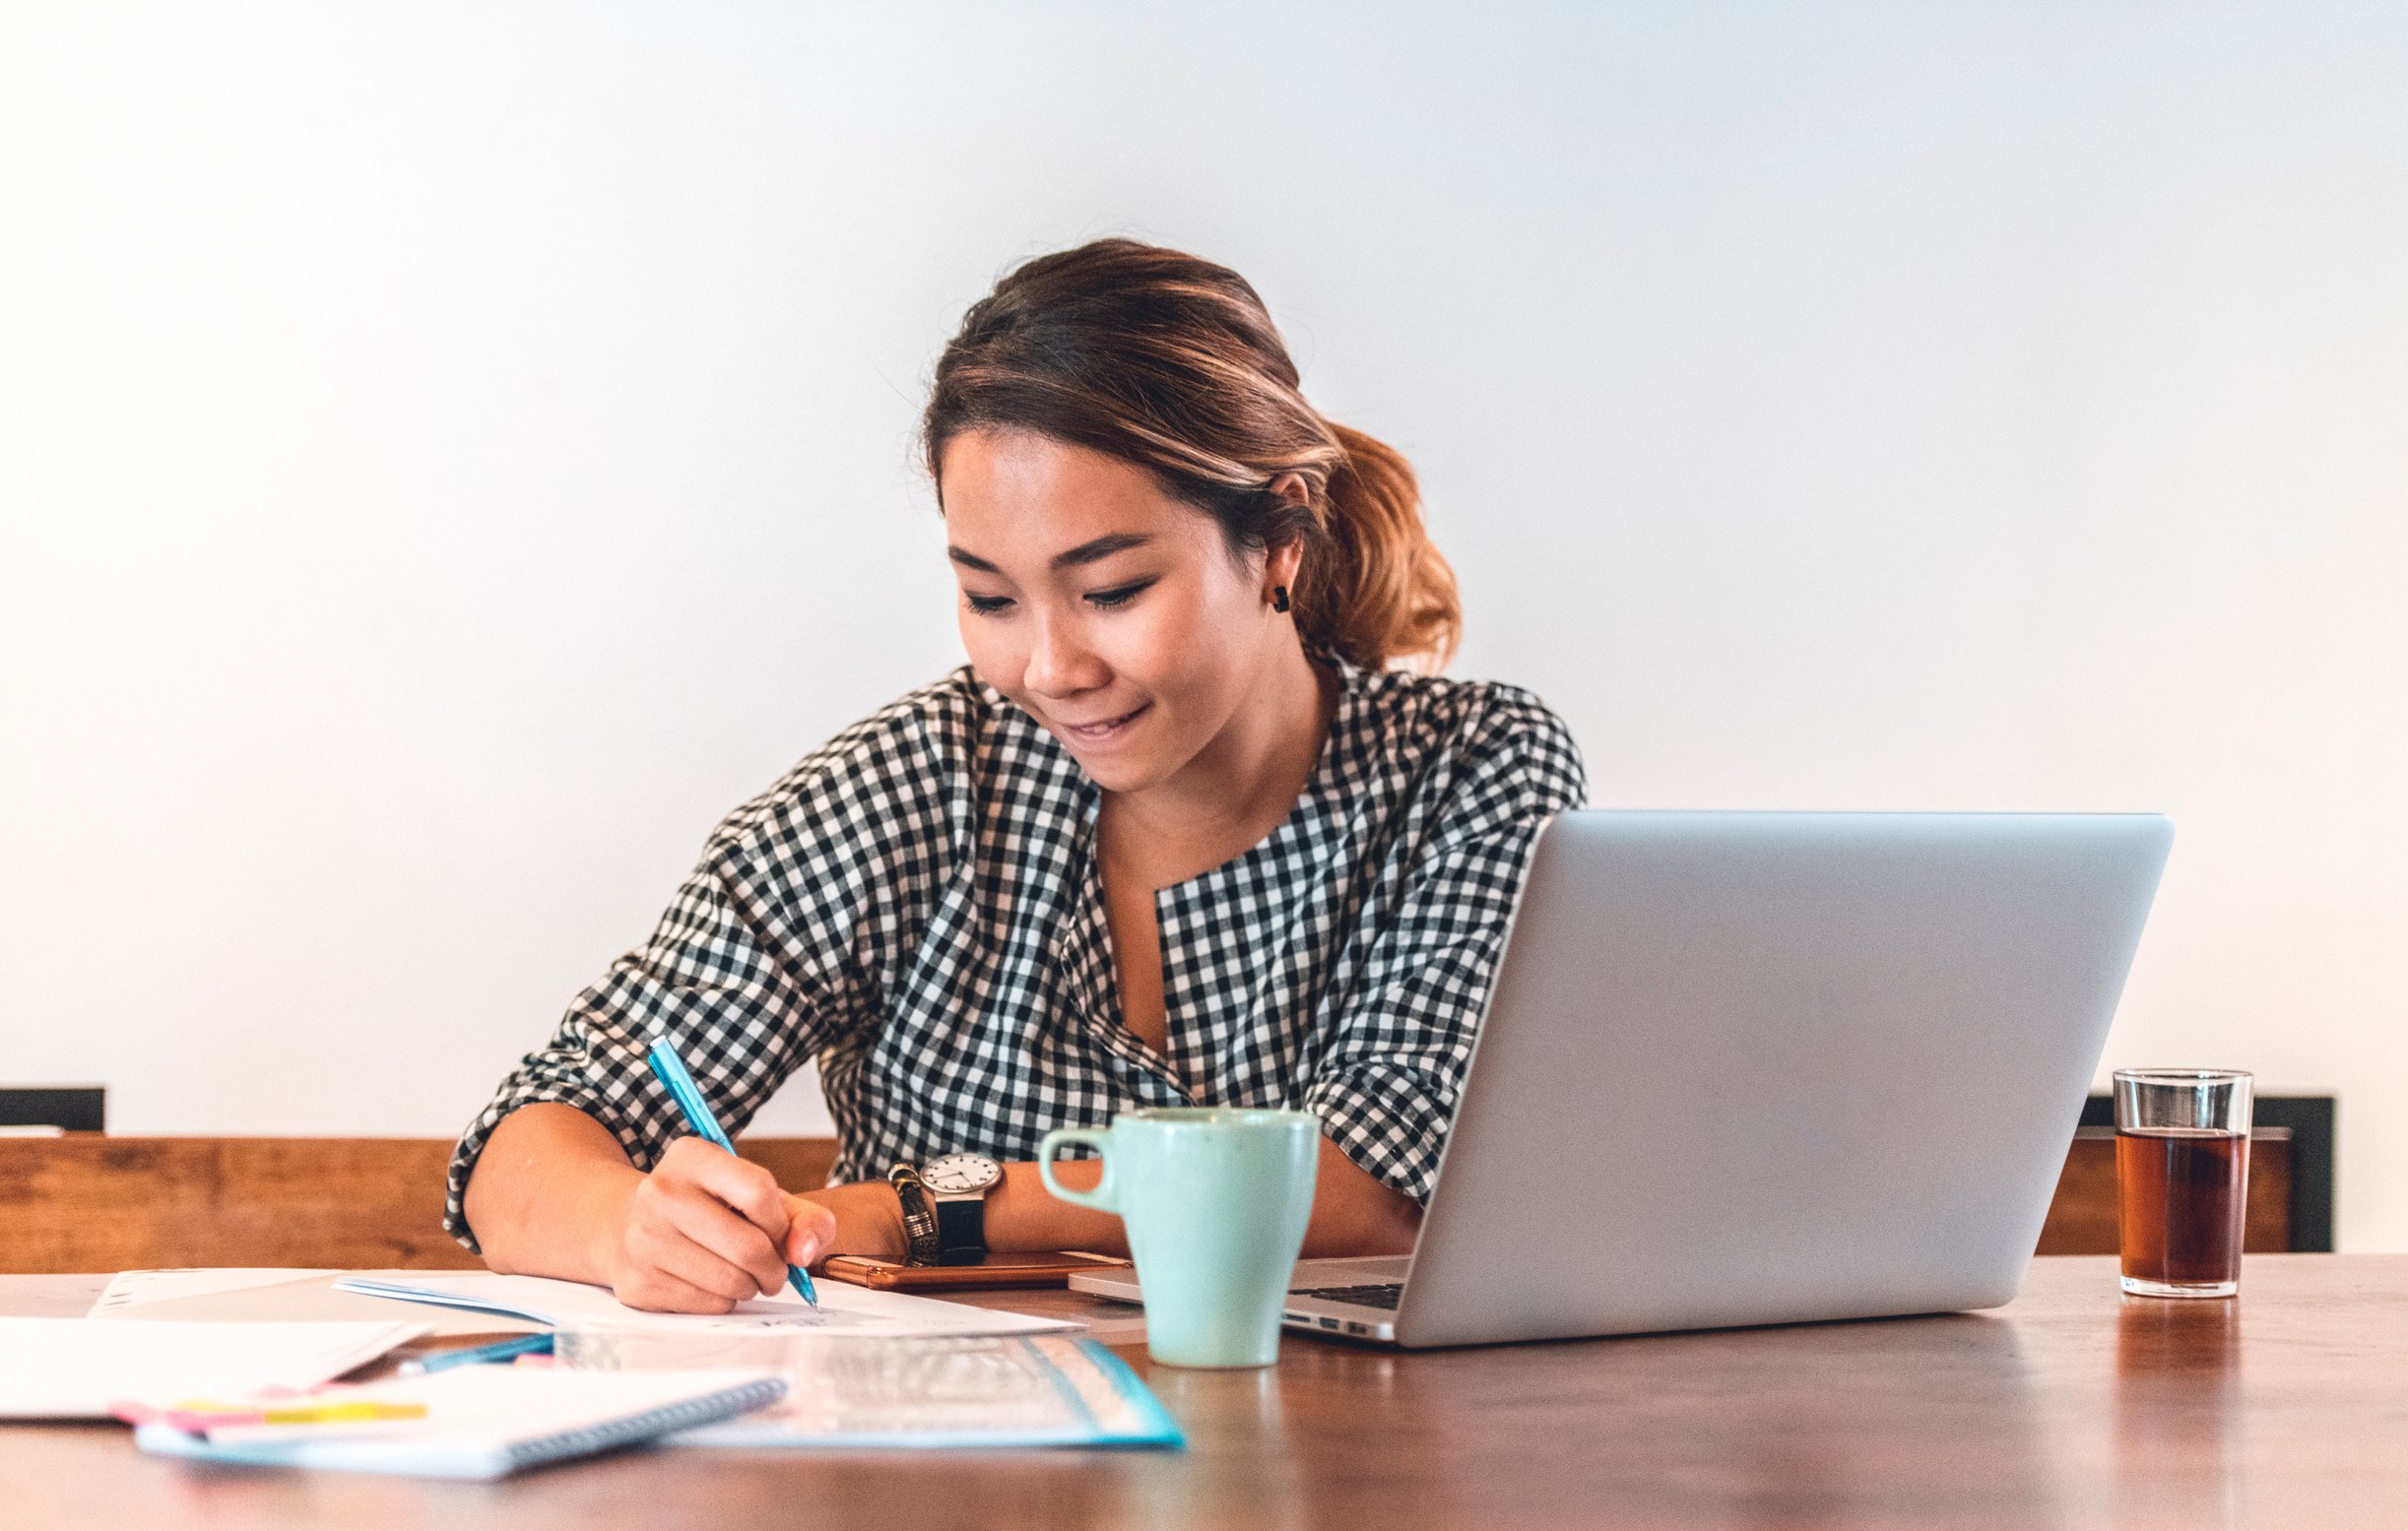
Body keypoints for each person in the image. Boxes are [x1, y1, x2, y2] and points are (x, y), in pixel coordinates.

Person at [449, 238, 1587, 1313]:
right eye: (991, 597)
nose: (1049, 668)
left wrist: (913, 1210)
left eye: (1113, 590)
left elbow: (1379, 1190)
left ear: (1280, 539)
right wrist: (628, 1228)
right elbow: (523, 1142)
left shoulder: (1472, 771)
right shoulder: (918, 783)